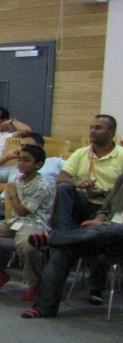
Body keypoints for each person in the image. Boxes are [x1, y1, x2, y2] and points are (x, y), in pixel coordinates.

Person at [23, 173, 123, 319]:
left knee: (116, 228)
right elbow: (106, 208)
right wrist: (98, 220)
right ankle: (44, 308)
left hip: (117, 238)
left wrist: (104, 225)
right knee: (63, 250)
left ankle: (54, 237)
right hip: (103, 235)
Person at [49, 114, 123, 304]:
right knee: (65, 188)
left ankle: (96, 288)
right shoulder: (81, 153)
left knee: (101, 240)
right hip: (84, 204)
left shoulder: (121, 156)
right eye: (91, 127)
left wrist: (104, 191)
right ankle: (62, 233)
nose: (92, 131)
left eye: (98, 128)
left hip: (109, 209)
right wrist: (79, 183)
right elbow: (61, 178)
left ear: (112, 132)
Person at [0, 143, 53, 300]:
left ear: (38, 164)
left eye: (26, 160)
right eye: (19, 159)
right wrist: (5, 202)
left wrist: (11, 195)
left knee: (27, 245)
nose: (20, 163)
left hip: (34, 223)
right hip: (15, 221)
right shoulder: (19, 179)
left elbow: (23, 211)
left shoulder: (41, 185)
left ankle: (35, 283)